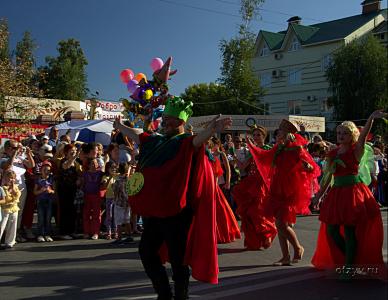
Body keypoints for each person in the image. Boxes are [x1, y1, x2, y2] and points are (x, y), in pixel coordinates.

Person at [113, 96, 231, 299]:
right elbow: (139, 134)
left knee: (179, 260)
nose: (164, 121)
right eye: (164, 118)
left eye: (169, 119)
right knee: (147, 252)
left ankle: (181, 296)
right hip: (155, 212)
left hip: (177, 213)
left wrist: (211, 129)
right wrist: (120, 126)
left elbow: (197, 141)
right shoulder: (157, 141)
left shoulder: (184, 142)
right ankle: (164, 294)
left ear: (181, 121)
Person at [311, 110, 387, 280]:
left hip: (353, 192)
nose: (341, 135)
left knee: (351, 232)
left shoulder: (356, 150)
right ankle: (352, 259)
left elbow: (363, 136)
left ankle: (349, 266)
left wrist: (370, 119)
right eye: (338, 133)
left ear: (351, 134)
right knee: (332, 230)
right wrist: (319, 195)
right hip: (337, 193)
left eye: (345, 133)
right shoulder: (332, 153)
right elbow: (328, 176)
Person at [248, 120, 320, 265]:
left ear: (287, 133)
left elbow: (312, 167)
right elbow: (264, 156)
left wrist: (307, 168)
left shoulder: (296, 148)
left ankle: (298, 248)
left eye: (280, 131)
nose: (277, 133)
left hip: (290, 189)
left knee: (281, 224)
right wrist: (252, 146)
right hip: (277, 187)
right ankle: (285, 256)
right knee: (280, 223)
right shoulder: (278, 147)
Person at [232, 125, 277, 250]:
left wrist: (252, 149)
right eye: (254, 135)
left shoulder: (267, 148)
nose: (256, 137)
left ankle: (267, 233)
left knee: (258, 211)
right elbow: (242, 166)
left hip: (261, 183)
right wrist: (234, 158)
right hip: (250, 182)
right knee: (247, 213)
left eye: (258, 135)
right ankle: (254, 241)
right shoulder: (251, 150)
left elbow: (268, 163)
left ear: (264, 136)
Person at [0, 140, 35, 242]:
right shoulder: (3, 158)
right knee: (5, 213)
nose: (18, 150)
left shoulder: (20, 158)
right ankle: (3, 234)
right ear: (7, 149)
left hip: (20, 187)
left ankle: (14, 234)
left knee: (17, 211)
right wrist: (14, 155)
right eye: (15, 148)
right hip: (7, 189)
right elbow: (8, 166)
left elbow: (31, 165)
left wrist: (28, 154)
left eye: (17, 148)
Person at [33, 161, 55, 242]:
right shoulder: (38, 180)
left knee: (48, 218)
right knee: (41, 218)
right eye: (45, 169)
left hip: (49, 201)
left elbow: (54, 191)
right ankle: (40, 234)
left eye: (48, 170)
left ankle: (47, 234)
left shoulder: (51, 179)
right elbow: (34, 192)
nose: (46, 171)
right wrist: (41, 190)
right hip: (40, 201)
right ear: (41, 170)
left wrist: (50, 191)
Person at [82, 158, 103, 240]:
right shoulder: (85, 174)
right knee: (86, 214)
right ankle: (87, 232)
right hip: (87, 195)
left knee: (96, 215)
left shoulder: (100, 173)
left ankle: (95, 232)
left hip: (96, 196)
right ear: (88, 165)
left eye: (95, 163)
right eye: (92, 163)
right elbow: (82, 183)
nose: (93, 165)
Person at [0, 170, 21, 249]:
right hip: (5, 209)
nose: (11, 180)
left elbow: (17, 196)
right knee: (2, 225)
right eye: (9, 178)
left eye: (12, 178)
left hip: (14, 208)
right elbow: (6, 199)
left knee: (12, 225)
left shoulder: (15, 187)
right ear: (5, 178)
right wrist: (10, 192)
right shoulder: (2, 188)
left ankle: (10, 241)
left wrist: (13, 190)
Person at [101, 161, 118, 239]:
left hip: (116, 198)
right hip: (109, 198)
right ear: (108, 169)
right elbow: (104, 186)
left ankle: (115, 232)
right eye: (112, 168)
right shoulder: (105, 177)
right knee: (109, 215)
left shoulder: (117, 176)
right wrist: (110, 177)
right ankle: (109, 232)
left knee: (116, 216)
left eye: (115, 167)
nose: (114, 169)